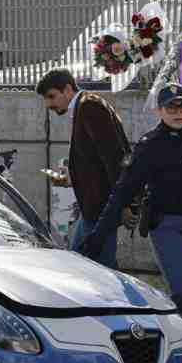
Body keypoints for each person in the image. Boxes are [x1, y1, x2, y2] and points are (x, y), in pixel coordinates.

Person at [85, 84, 182, 337]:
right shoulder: (150, 144)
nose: (178, 113)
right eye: (171, 107)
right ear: (159, 111)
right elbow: (124, 190)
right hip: (168, 226)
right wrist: (99, 233)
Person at [36, 68, 132, 268]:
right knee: (89, 265)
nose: (49, 104)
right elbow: (96, 159)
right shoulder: (85, 105)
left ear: (68, 89)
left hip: (100, 206)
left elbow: (113, 157)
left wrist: (123, 203)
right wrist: (71, 176)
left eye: (52, 96)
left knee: (89, 267)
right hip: (96, 206)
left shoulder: (89, 106)